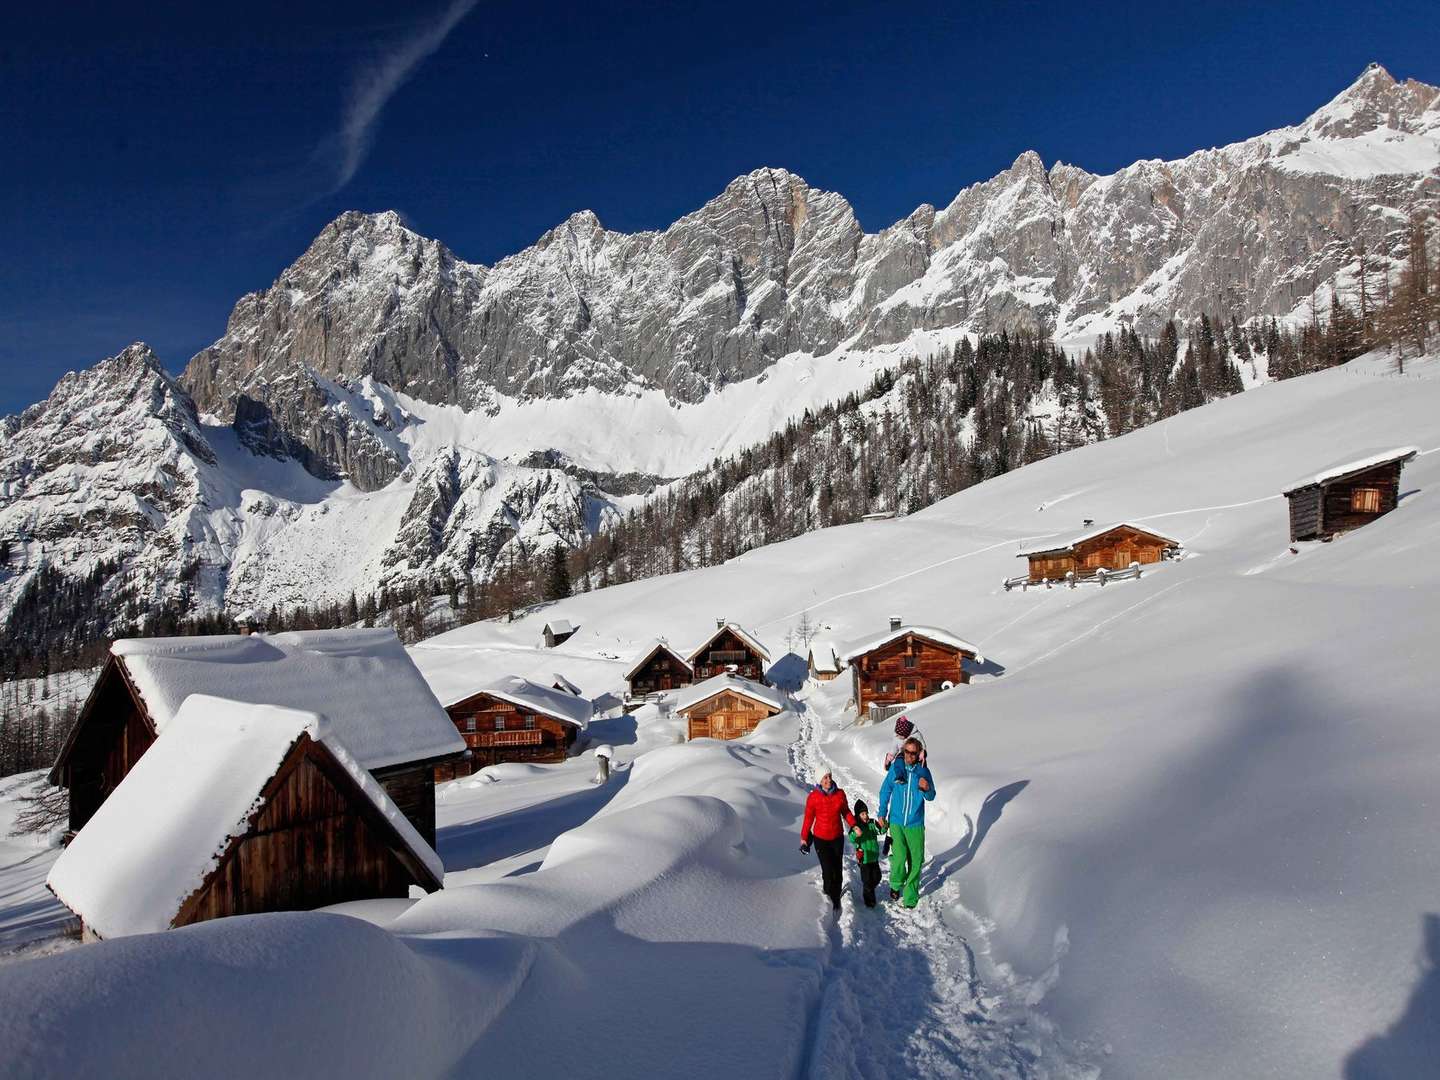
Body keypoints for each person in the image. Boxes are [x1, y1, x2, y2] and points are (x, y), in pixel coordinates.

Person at [875, 737, 935, 908]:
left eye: (913, 753)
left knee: (916, 861)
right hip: (896, 822)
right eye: (906, 752)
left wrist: (926, 788)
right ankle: (895, 884)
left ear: (919, 754)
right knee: (900, 858)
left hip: (915, 824)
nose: (909, 756)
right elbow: (885, 790)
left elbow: (931, 796)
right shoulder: (896, 768)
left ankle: (910, 896)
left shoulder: (923, 772)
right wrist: (882, 813)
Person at [800, 770, 855, 914]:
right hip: (820, 839)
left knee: (837, 869)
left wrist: (854, 825)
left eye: (830, 776)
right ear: (819, 779)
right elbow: (808, 819)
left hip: (837, 838)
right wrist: (804, 839)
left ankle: (836, 898)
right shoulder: (813, 797)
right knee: (827, 869)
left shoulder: (840, 794)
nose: (829, 780)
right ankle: (827, 890)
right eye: (825, 777)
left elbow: (846, 812)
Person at [848, 799, 883, 908]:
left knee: (877, 877)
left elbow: (881, 831)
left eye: (866, 813)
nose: (865, 815)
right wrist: (855, 833)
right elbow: (851, 838)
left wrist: (884, 825)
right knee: (867, 881)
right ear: (858, 815)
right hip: (864, 859)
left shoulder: (872, 823)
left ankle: (869, 890)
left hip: (874, 857)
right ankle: (869, 901)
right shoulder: (856, 827)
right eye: (863, 814)